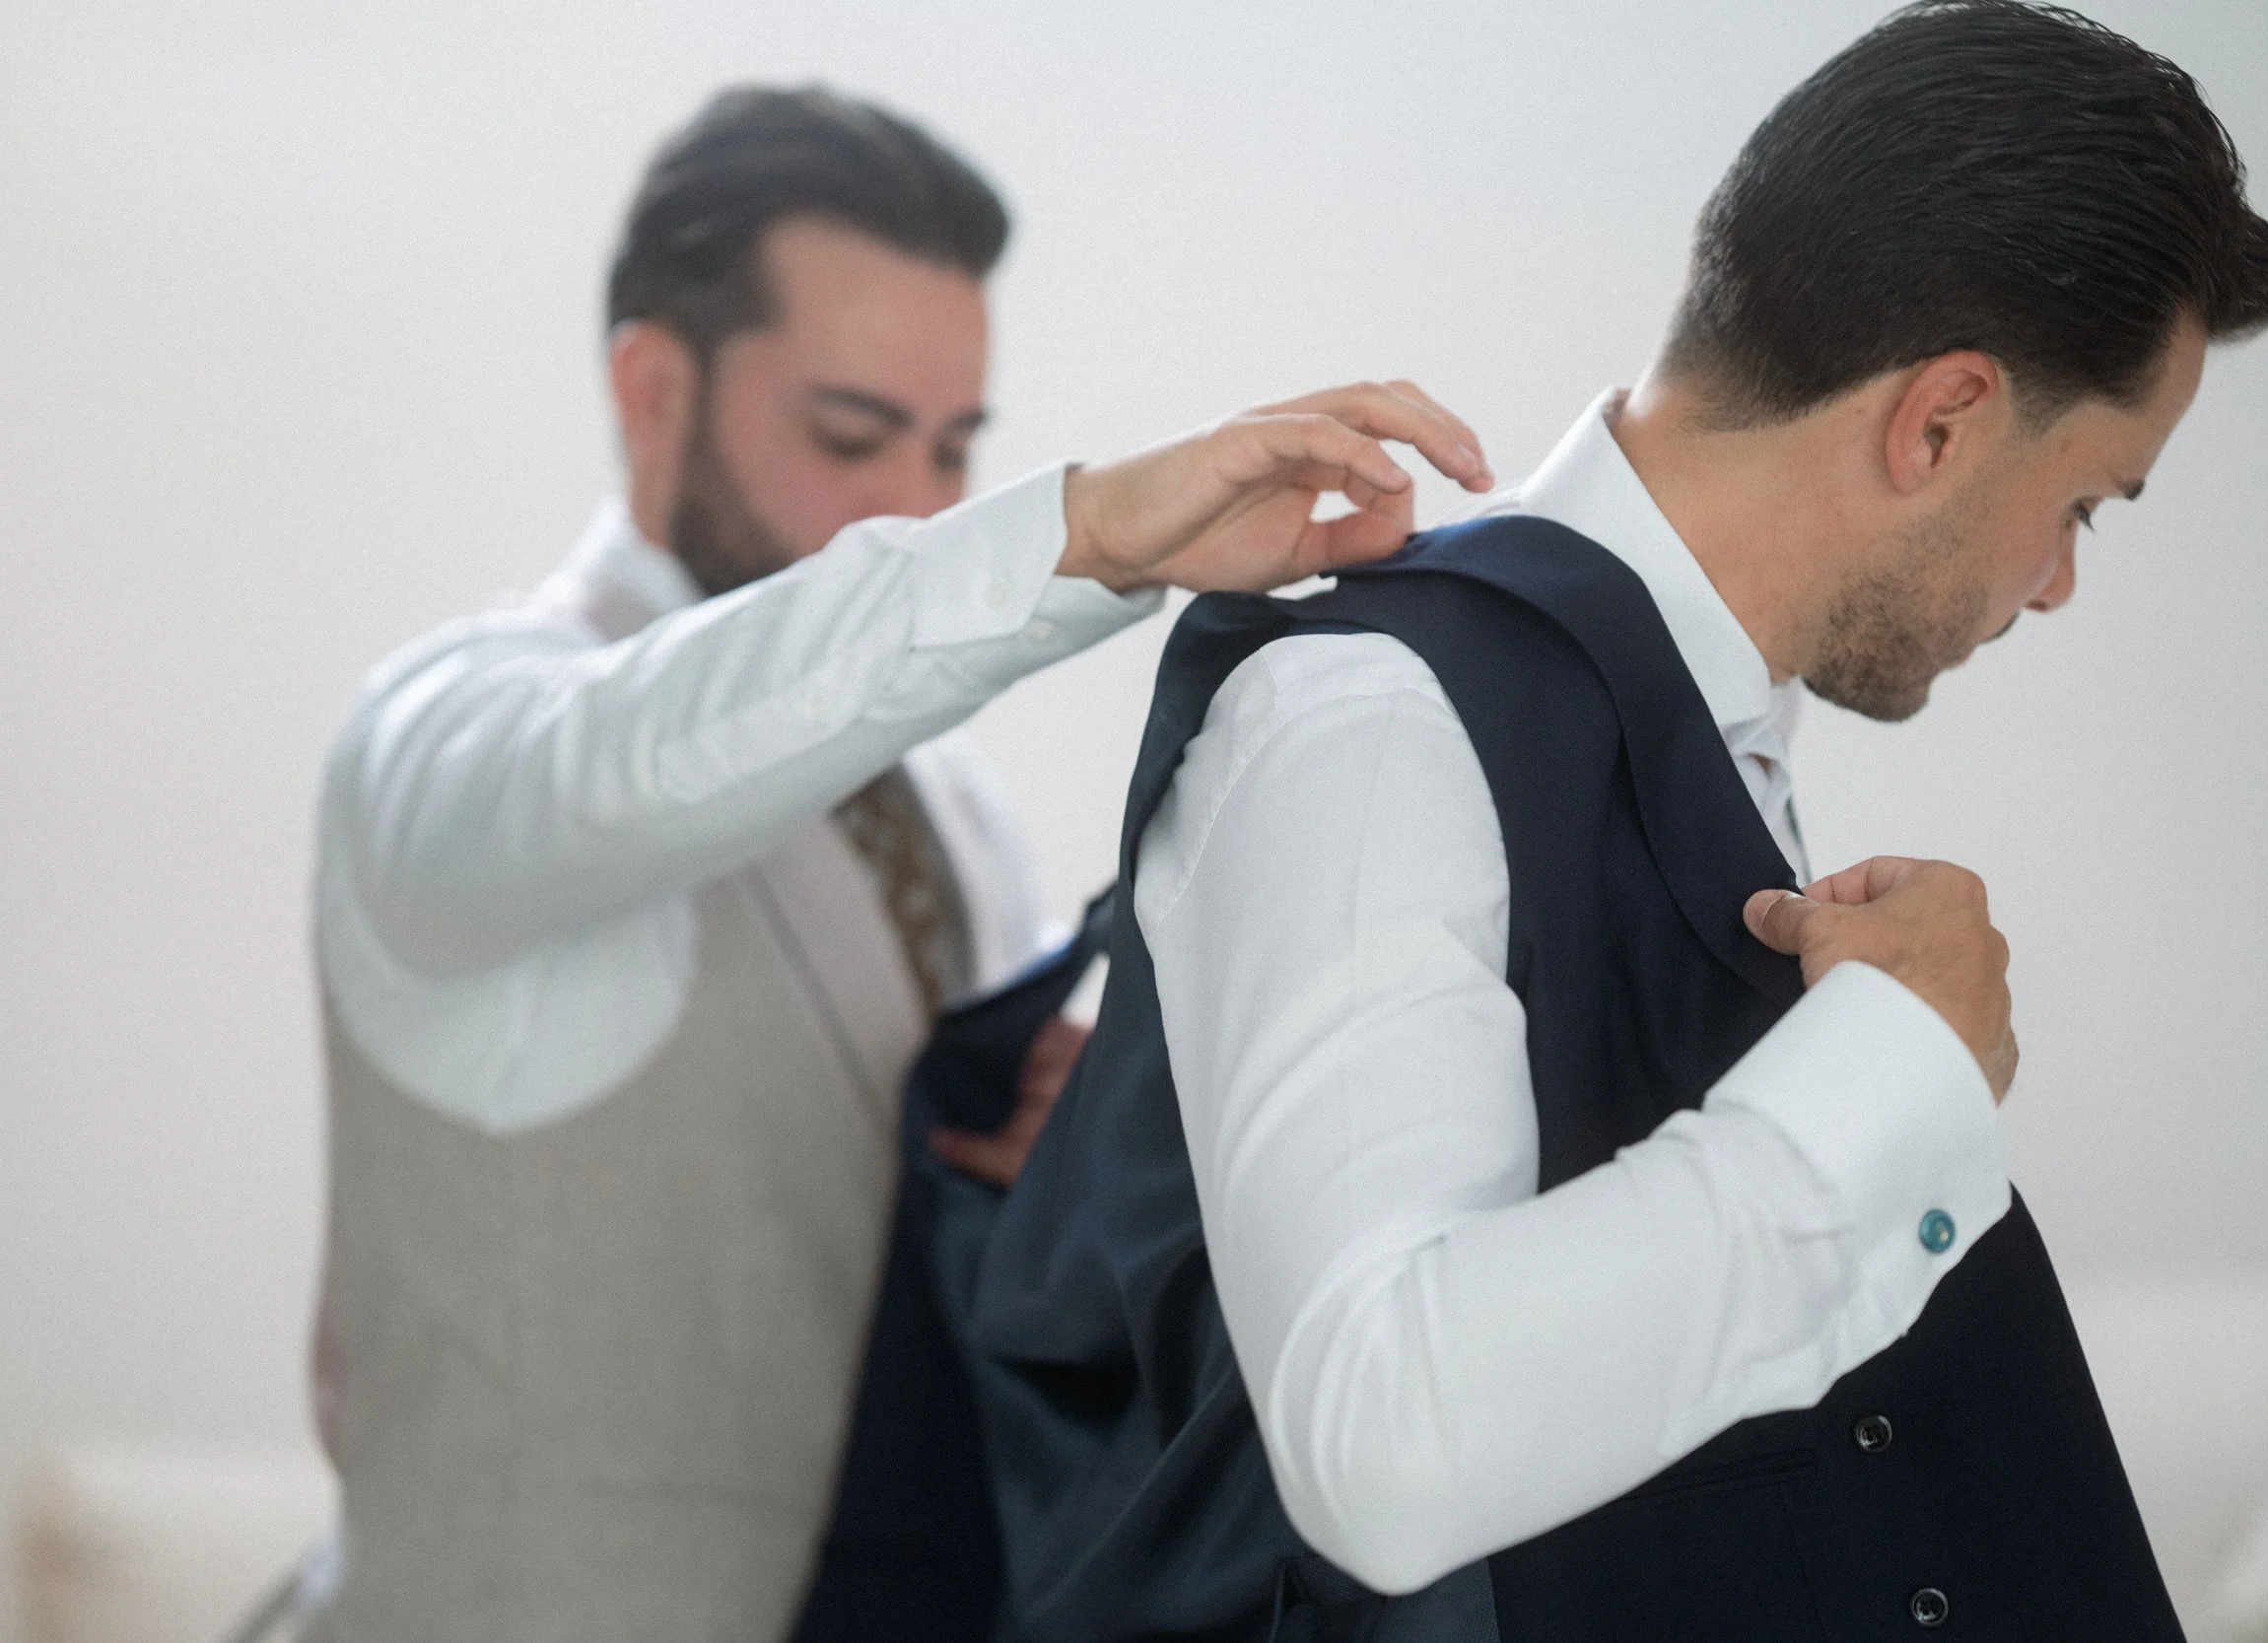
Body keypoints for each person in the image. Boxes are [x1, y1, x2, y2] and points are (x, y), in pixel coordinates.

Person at [956, 4, 2268, 1638]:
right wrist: (1891, 1074)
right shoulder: (1376, 722)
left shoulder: (1697, 736)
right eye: (2083, 501)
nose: (2063, 580)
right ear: (1939, 420)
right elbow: (1382, 1438)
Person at [303, 84, 1490, 1641]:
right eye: (852, 435)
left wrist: (1048, 1154)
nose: (917, 508)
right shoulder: (445, 746)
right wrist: (1093, 538)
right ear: (654, 389)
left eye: (953, 449)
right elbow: (640, 752)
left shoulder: (951, 817)